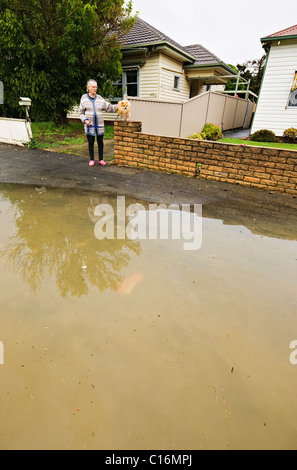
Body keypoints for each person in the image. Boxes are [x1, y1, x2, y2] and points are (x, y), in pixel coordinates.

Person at [79, 79, 118, 167]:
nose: (95, 88)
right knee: (90, 142)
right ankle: (92, 159)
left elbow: (109, 107)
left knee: (100, 142)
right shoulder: (84, 98)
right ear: (88, 87)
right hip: (90, 126)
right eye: (93, 87)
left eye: (96, 87)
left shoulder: (100, 98)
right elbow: (80, 113)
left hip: (99, 125)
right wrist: (85, 120)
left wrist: (119, 106)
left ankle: (101, 159)